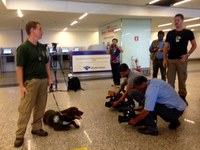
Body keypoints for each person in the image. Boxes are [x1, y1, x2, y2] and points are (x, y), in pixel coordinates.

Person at [14, 21, 53, 147]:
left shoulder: (42, 47)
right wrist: (21, 86)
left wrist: (50, 78)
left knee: (40, 107)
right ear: (32, 30)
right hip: (30, 82)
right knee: (25, 109)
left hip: (43, 81)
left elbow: (47, 64)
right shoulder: (23, 48)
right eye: (40, 29)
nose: (42, 31)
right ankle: (19, 135)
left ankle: (36, 128)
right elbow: (19, 68)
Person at [163, 13, 197, 104]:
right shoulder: (170, 33)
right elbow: (165, 47)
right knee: (170, 80)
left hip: (182, 60)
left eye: (178, 20)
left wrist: (187, 54)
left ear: (182, 20)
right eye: (175, 20)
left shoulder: (188, 32)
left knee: (182, 80)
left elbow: (194, 45)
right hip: (170, 60)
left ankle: (182, 97)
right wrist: (164, 59)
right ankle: (171, 97)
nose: (176, 22)